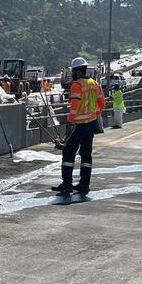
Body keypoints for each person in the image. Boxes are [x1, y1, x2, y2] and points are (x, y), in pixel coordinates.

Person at [52, 57, 104, 198]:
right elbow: (102, 103)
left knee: (68, 152)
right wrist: (93, 115)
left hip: (80, 124)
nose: (73, 74)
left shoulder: (77, 85)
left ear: (78, 72)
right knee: (86, 154)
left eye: (73, 71)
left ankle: (67, 184)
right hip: (91, 124)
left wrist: (70, 124)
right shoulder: (95, 84)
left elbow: (74, 108)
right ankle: (84, 184)